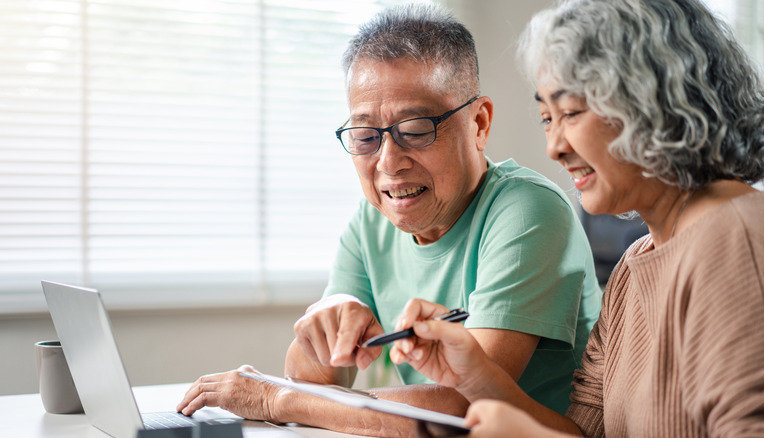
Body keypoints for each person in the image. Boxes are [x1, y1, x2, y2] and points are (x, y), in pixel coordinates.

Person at [176, 3, 602, 437]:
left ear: (479, 123)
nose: (389, 163)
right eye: (365, 137)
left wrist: (276, 398)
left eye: (416, 130)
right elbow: (318, 384)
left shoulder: (528, 210)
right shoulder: (373, 221)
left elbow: (458, 405)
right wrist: (322, 329)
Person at [390, 0, 764, 436]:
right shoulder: (633, 268)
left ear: (654, 101)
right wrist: (476, 376)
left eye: (570, 112)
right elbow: (585, 432)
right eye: (545, 118)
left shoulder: (737, 240)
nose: (553, 147)